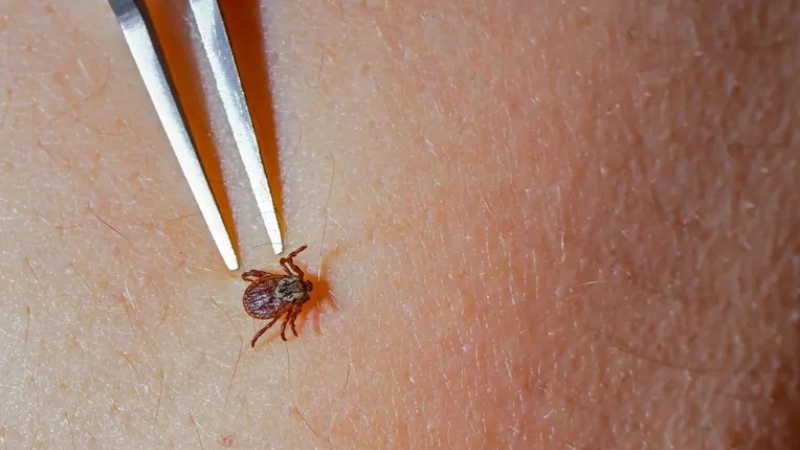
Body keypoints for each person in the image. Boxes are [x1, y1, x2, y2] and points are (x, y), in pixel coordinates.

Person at [0, 1, 796, 448]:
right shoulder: (284, 290)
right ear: (282, 285)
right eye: (290, 284)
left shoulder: (280, 291)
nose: (293, 285)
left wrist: (279, 297)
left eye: (290, 285)